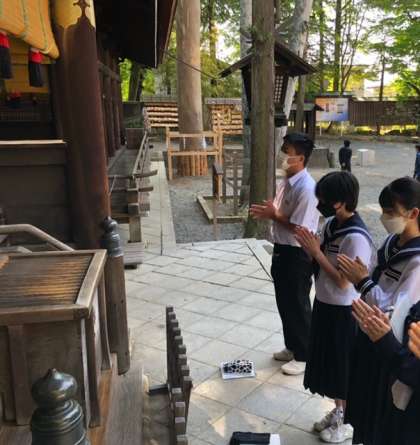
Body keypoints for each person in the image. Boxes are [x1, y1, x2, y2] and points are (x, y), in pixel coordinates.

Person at [337, 177, 420, 445]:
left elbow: (395, 312)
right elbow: (373, 276)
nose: (385, 217)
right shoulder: (391, 242)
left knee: (377, 413)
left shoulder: (417, 261)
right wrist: (363, 278)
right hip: (368, 334)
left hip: (388, 346)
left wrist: (363, 282)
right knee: (361, 404)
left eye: (391, 212)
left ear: (413, 213)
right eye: (383, 211)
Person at [295, 171, 373, 443]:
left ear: (340, 201)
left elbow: (343, 282)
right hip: (325, 303)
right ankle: (339, 409)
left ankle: (348, 421)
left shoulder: (356, 237)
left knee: (344, 368)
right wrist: (310, 249)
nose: (320, 204)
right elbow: (321, 259)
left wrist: (316, 252)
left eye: (324, 199)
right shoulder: (332, 224)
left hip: (344, 310)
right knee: (331, 365)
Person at [249, 132, 319, 376]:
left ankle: (305, 355)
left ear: (300, 158)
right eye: (283, 149)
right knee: (285, 302)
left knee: (298, 303)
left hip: (297, 253)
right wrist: (272, 213)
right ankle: (292, 346)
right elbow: (279, 213)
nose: (282, 155)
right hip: (281, 249)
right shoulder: (287, 181)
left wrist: (274, 215)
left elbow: (300, 229)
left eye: (286, 151)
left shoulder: (307, 188)